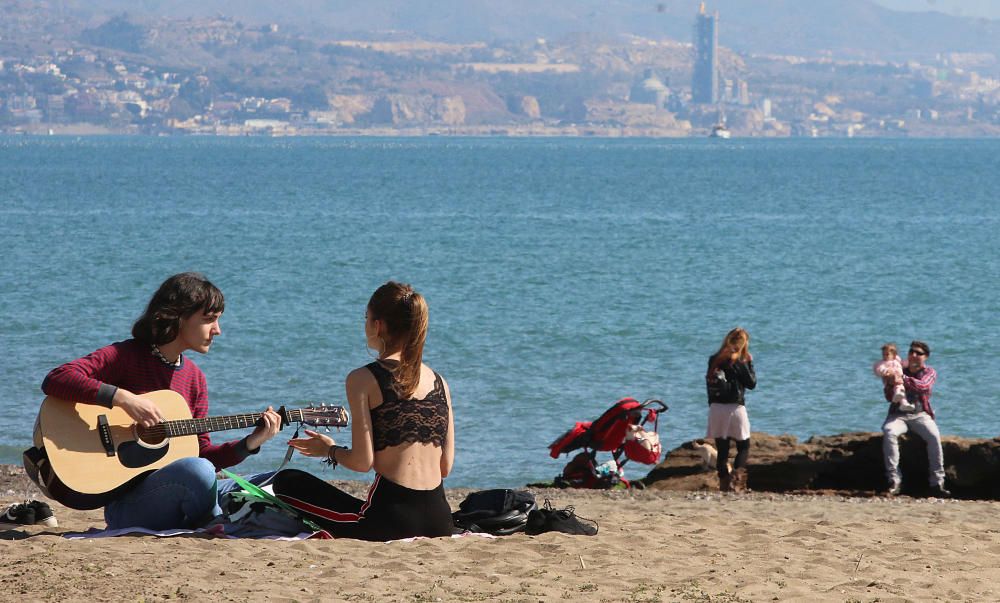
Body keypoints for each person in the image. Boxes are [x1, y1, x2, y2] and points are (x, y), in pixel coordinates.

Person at [40, 272, 283, 530]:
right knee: (200, 473)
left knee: (269, 480)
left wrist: (251, 442)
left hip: (174, 490)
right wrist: (123, 399)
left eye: (218, 321)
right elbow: (57, 378)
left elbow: (201, 454)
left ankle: (213, 517)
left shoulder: (195, 379)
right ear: (179, 317)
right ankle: (214, 520)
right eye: (209, 320)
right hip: (129, 506)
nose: (218, 330)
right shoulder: (127, 356)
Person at [281, 281, 455, 541]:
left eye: (366, 318)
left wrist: (328, 450)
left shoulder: (362, 378)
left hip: (390, 520)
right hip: (441, 520)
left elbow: (363, 463)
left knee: (286, 483)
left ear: (378, 326)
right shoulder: (440, 382)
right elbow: (445, 467)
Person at [881, 340, 949, 497]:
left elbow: (923, 386)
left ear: (925, 357)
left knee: (934, 436)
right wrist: (891, 383)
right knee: (889, 432)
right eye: (911, 351)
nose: (913, 355)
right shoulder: (897, 368)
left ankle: (937, 482)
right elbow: (888, 397)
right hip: (898, 415)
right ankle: (894, 480)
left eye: (918, 353)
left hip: (920, 415)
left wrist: (902, 379)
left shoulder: (929, 372)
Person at [705, 327, 756, 492]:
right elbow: (751, 384)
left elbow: (708, 383)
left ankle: (724, 484)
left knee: (722, 449)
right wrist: (750, 363)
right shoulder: (740, 361)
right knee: (743, 446)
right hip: (735, 407)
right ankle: (736, 481)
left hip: (716, 408)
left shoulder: (714, 359)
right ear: (744, 344)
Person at [873, 343, 914, 412]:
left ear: (894, 355)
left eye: (887, 354)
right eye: (883, 354)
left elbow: (903, 364)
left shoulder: (897, 361)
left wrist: (909, 363)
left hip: (899, 380)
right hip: (890, 380)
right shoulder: (883, 363)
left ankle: (904, 404)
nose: (885, 356)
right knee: (898, 388)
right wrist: (886, 371)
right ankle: (897, 396)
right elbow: (879, 369)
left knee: (901, 390)